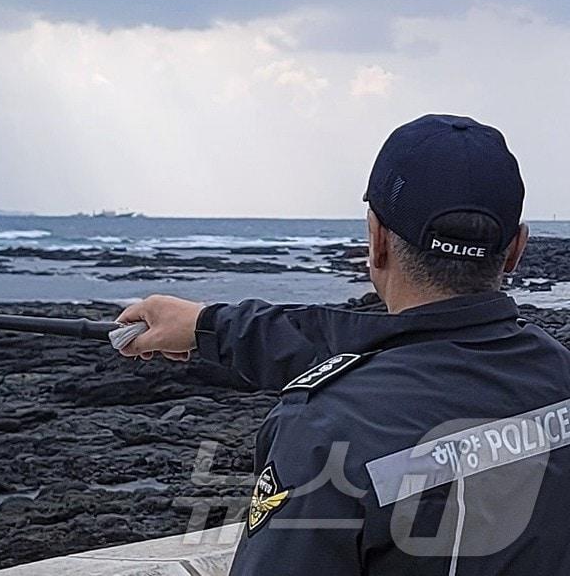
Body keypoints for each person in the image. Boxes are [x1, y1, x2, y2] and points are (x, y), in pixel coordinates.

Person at [117, 114, 570, 575]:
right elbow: (381, 346)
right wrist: (208, 325)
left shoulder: (324, 430)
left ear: (376, 241)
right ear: (516, 249)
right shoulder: (556, 372)